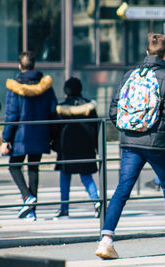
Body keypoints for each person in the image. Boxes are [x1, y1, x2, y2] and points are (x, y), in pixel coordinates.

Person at [95, 33, 165, 259]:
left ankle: (106, 240)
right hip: (157, 142)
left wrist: (129, 128)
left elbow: (114, 110)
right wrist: (159, 133)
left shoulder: (130, 75)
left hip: (130, 142)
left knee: (122, 189)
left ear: (146, 52)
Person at [0, 51, 57, 221]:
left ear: (20, 66)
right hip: (40, 133)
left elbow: (11, 114)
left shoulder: (15, 87)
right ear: (34, 65)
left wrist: (6, 139)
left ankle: (27, 198)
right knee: (33, 169)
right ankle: (32, 211)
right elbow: (53, 111)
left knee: (14, 166)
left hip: (20, 136)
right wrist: (52, 135)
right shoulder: (46, 86)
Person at [51, 77, 100, 220]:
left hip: (66, 148)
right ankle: (97, 202)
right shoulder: (89, 107)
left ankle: (64, 209)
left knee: (65, 177)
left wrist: (54, 145)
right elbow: (96, 128)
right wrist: (97, 148)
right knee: (86, 177)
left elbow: (54, 129)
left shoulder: (61, 108)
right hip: (86, 148)